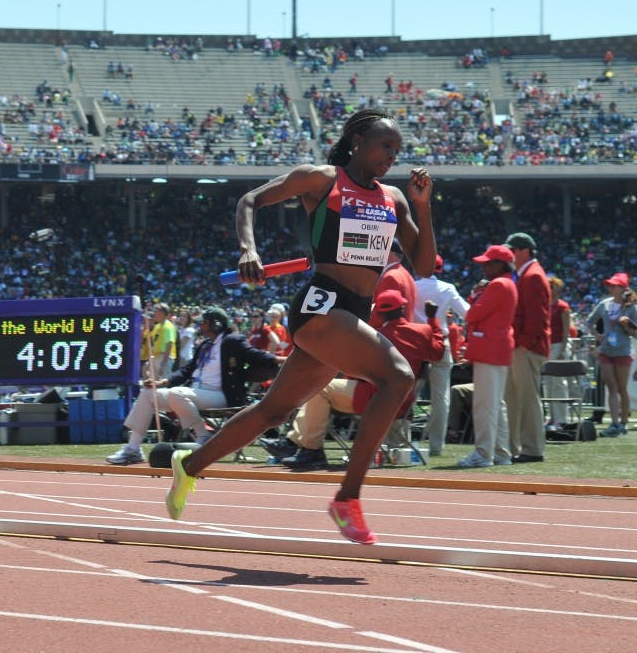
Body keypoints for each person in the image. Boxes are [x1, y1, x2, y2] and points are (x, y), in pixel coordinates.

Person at [164, 108, 437, 545]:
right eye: (385, 145)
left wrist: (422, 208)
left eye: (397, 150)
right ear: (357, 143)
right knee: (398, 376)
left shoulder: (394, 199)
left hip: (353, 312)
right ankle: (347, 499)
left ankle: (190, 465)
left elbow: (423, 266)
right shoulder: (321, 179)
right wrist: (247, 251)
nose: (392, 155)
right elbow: (249, 200)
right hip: (322, 306)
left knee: (273, 410)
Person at [267, 289, 444, 469]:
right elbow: (438, 353)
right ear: (403, 308)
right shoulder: (422, 331)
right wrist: (433, 320)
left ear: (380, 313)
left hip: (372, 398)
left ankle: (308, 448)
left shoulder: (376, 336)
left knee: (321, 388)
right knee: (323, 390)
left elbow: (353, 371)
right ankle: (295, 443)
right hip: (403, 402)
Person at [106, 307, 284, 465]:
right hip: (195, 394)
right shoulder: (205, 345)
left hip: (220, 395)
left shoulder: (232, 341)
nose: (201, 326)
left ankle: (203, 437)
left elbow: (255, 355)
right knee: (147, 393)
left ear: (215, 324)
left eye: (204, 323)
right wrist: (163, 382)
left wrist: (281, 359)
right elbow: (187, 370)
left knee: (178, 393)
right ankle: (133, 449)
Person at [457, 245, 517, 468]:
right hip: (497, 349)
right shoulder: (505, 283)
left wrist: (474, 294)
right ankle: (501, 454)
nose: (483, 267)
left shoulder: (499, 284)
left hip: (490, 349)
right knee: (495, 405)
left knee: (485, 405)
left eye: (488, 263)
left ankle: (483, 454)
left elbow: (472, 314)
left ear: (500, 264)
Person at [413, 253, 470, 456]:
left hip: (416, 342)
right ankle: (436, 447)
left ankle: (401, 441)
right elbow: (467, 313)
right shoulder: (448, 288)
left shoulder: (413, 286)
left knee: (408, 394)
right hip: (440, 341)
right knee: (441, 398)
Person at [503, 232, 551, 463]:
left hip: (527, 348)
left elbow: (536, 319)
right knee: (515, 399)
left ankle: (532, 449)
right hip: (523, 346)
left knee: (528, 399)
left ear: (525, 251)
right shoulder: (525, 274)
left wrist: (523, 343)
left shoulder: (532, 276)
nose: (510, 255)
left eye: (513, 250)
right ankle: (516, 447)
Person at [586, 272, 637, 436]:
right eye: (610, 285)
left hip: (622, 351)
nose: (611, 288)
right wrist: (597, 335)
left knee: (622, 388)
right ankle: (614, 423)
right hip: (606, 351)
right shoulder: (604, 304)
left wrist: (627, 327)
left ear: (623, 288)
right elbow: (589, 322)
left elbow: (635, 332)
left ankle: (623, 423)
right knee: (611, 387)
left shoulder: (631, 307)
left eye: (614, 285)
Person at [544, 276, 574, 430]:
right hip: (548, 346)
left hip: (558, 346)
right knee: (549, 383)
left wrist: (562, 350)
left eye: (552, 286)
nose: (550, 289)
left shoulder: (563, 307)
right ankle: (552, 417)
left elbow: (566, 332)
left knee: (558, 384)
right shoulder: (545, 306)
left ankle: (561, 418)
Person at [368, 240, 416, 329]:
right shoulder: (406, 274)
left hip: (390, 335)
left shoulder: (390, 276)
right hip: (403, 332)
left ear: (388, 253)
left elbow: (382, 312)